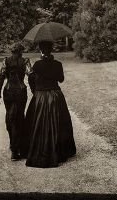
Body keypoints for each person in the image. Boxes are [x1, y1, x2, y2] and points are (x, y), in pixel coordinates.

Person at [24, 40, 76, 168]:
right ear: (51, 50)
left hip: (41, 96)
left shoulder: (37, 65)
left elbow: (32, 79)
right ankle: (59, 151)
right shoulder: (58, 64)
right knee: (59, 122)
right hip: (55, 96)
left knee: (36, 123)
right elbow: (61, 80)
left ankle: (37, 148)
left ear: (41, 50)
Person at [0, 42, 30, 161]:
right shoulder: (25, 61)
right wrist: (36, 90)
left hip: (8, 92)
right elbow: (30, 75)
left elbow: (1, 76)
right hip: (21, 92)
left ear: (12, 51)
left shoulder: (5, 61)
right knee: (19, 117)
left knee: (10, 117)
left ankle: (14, 149)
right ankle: (20, 148)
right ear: (21, 51)